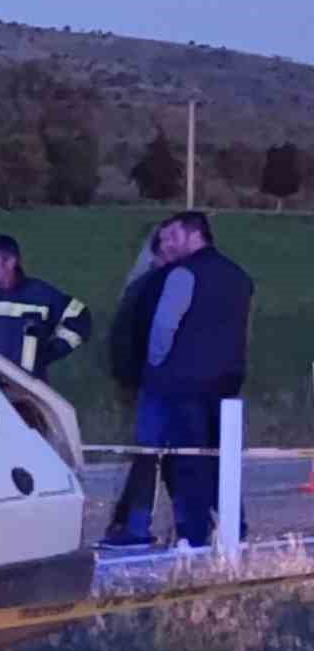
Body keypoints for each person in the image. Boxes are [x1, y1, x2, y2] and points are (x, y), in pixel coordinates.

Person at [126, 211, 254, 549]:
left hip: (181, 384)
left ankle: (192, 535)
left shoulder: (183, 274)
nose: (166, 244)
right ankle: (233, 529)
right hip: (226, 383)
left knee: (187, 463)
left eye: (171, 237)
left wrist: (155, 365)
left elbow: (164, 327)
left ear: (193, 235)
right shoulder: (239, 276)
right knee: (221, 461)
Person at [99, 223, 177, 549]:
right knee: (156, 455)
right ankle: (135, 524)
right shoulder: (153, 287)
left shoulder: (139, 285)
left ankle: (130, 523)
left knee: (150, 455)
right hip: (154, 383)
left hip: (142, 382)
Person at [0, 234, 93, 379]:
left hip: (28, 391)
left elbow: (79, 319)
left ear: (10, 262)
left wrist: (51, 352)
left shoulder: (41, 296)